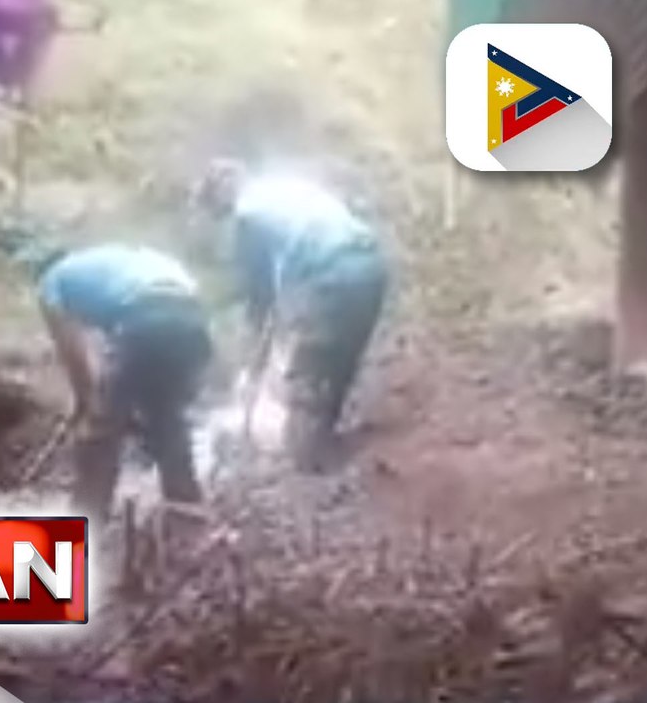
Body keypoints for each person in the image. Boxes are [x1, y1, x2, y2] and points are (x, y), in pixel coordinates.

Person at [195, 162, 388, 471]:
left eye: (221, 212)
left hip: (329, 273)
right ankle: (326, 446)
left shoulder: (248, 214)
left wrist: (252, 366)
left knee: (309, 372)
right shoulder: (285, 185)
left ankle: (306, 467)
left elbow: (260, 298)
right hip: (371, 266)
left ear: (222, 196)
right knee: (339, 362)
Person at [38, 244, 214, 521]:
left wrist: (86, 401)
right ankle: (185, 512)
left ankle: (87, 521)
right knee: (167, 419)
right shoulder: (120, 263)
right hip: (192, 322)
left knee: (101, 433)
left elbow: (72, 350)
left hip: (145, 317)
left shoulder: (52, 280)